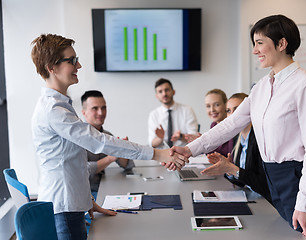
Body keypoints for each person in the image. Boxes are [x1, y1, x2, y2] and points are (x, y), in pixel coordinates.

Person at [170, 15, 306, 240]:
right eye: (253, 43)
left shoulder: (305, 86)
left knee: (305, 236)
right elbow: (230, 124)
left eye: (260, 43)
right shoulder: (262, 87)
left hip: (296, 177)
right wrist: (189, 149)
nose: (255, 50)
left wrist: (304, 204)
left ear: (282, 44)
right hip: (271, 176)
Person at [31, 34, 184, 240]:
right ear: (52, 67)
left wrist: (86, 200)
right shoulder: (53, 110)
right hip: (64, 208)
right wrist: (158, 154)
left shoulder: (60, 106)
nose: (79, 65)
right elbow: (99, 141)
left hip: (71, 204)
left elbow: (73, 162)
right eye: (72, 61)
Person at [201, 93, 272, 204]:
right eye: (228, 111)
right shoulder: (237, 139)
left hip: (265, 201)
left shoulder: (260, 140)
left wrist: (233, 169)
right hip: (249, 196)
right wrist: (229, 170)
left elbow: (264, 185)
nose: (232, 115)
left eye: (237, 109)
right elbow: (241, 182)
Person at [81, 90, 135, 194]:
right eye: (95, 108)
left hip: (104, 188)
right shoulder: (78, 138)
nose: (101, 113)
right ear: (84, 112)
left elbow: (127, 166)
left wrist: (122, 151)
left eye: (103, 108)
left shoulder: (107, 135)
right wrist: (111, 158)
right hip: (85, 195)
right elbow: (83, 171)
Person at [148, 78, 199, 148]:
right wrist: (160, 138)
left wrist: (181, 136)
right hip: (162, 155)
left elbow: (195, 138)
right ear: (157, 96)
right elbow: (152, 143)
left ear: (173, 92)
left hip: (184, 152)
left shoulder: (187, 110)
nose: (164, 94)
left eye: (167, 90)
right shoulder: (153, 115)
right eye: (160, 91)